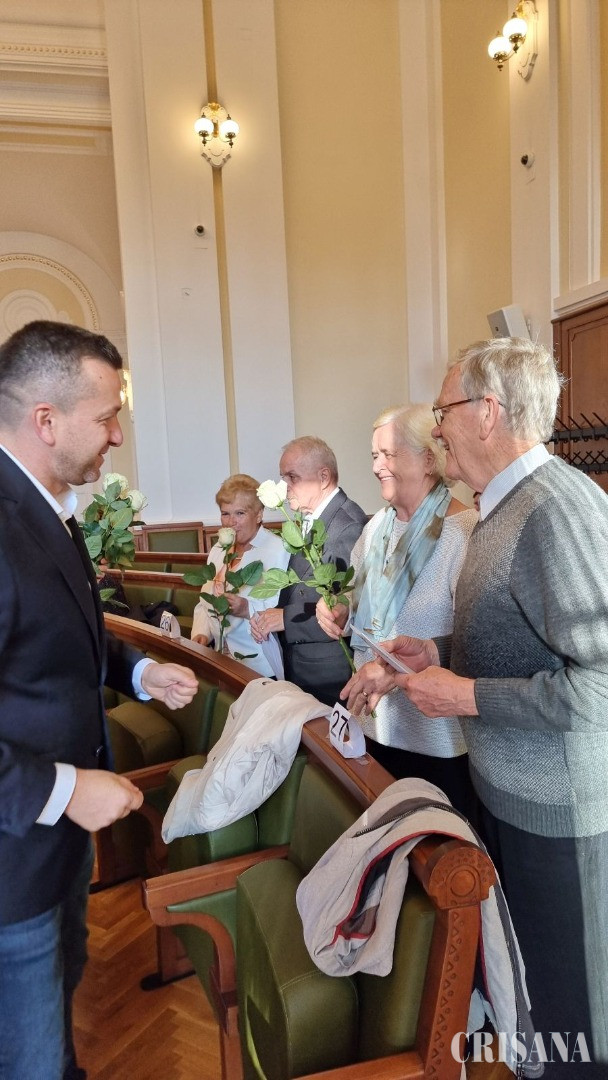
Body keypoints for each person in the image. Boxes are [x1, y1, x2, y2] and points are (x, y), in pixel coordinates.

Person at [352, 338, 608, 1068]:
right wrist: (437, 654)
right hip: (512, 793)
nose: (436, 428)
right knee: (533, 993)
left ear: (489, 412)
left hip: (558, 810)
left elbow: (600, 684)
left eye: (444, 411)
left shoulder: (553, 510)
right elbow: (522, 643)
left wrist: (464, 694)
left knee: (576, 1014)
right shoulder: (504, 508)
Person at [0, 320, 198, 1080]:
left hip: (52, 850)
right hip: (12, 866)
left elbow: (53, 634)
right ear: (46, 420)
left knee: (57, 1032)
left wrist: (139, 674)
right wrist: (65, 789)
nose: (117, 435)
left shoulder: (42, 505)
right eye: (108, 416)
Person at [316, 405, 477, 814]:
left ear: (428, 459)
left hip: (436, 740)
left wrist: (394, 670)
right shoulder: (376, 529)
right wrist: (337, 608)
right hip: (374, 724)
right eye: (374, 456)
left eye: (388, 454)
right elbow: (356, 600)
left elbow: (474, 640)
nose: (376, 467)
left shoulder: (464, 532)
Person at [251, 436, 367, 706]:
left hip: (328, 673)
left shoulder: (347, 525)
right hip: (305, 662)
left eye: (292, 477)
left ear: (323, 477)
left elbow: (342, 608)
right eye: (283, 477)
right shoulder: (313, 518)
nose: (285, 487)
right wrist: (269, 618)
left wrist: (283, 619)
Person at [191, 473, 289, 676]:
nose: (231, 522)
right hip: (219, 657)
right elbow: (205, 601)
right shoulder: (218, 550)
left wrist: (246, 608)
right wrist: (201, 633)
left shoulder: (278, 550)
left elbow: (281, 609)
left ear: (259, 514)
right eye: (225, 514)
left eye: (240, 513)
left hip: (259, 664)